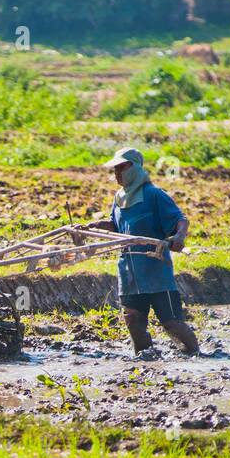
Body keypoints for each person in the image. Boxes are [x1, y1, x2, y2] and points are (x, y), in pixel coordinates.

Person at [94, 147, 200, 358]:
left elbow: (180, 219)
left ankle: (196, 355)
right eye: (115, 169)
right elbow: (116, 226)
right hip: (129, 271)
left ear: (134, 168)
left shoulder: (153, 194)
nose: (117, 173)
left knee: (171, 323)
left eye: (121, 168)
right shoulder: (119, 198)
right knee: (133, 320)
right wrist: (95, 226)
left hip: (155, 271)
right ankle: (145, 360)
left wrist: (179, 237)